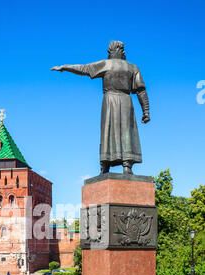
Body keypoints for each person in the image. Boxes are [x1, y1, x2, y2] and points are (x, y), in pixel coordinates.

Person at [51, 41, 150, 175]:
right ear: (117, 51)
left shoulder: (107, 64)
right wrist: (146, 111)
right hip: (125, 101)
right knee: (123, 131)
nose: (124, 53)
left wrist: (65, 67)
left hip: (111, 101)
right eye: (122, 50)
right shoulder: (133, 68)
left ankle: (107, 166)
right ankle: (123, 165)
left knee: (109, 132)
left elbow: (84, 69)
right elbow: (141, 91)